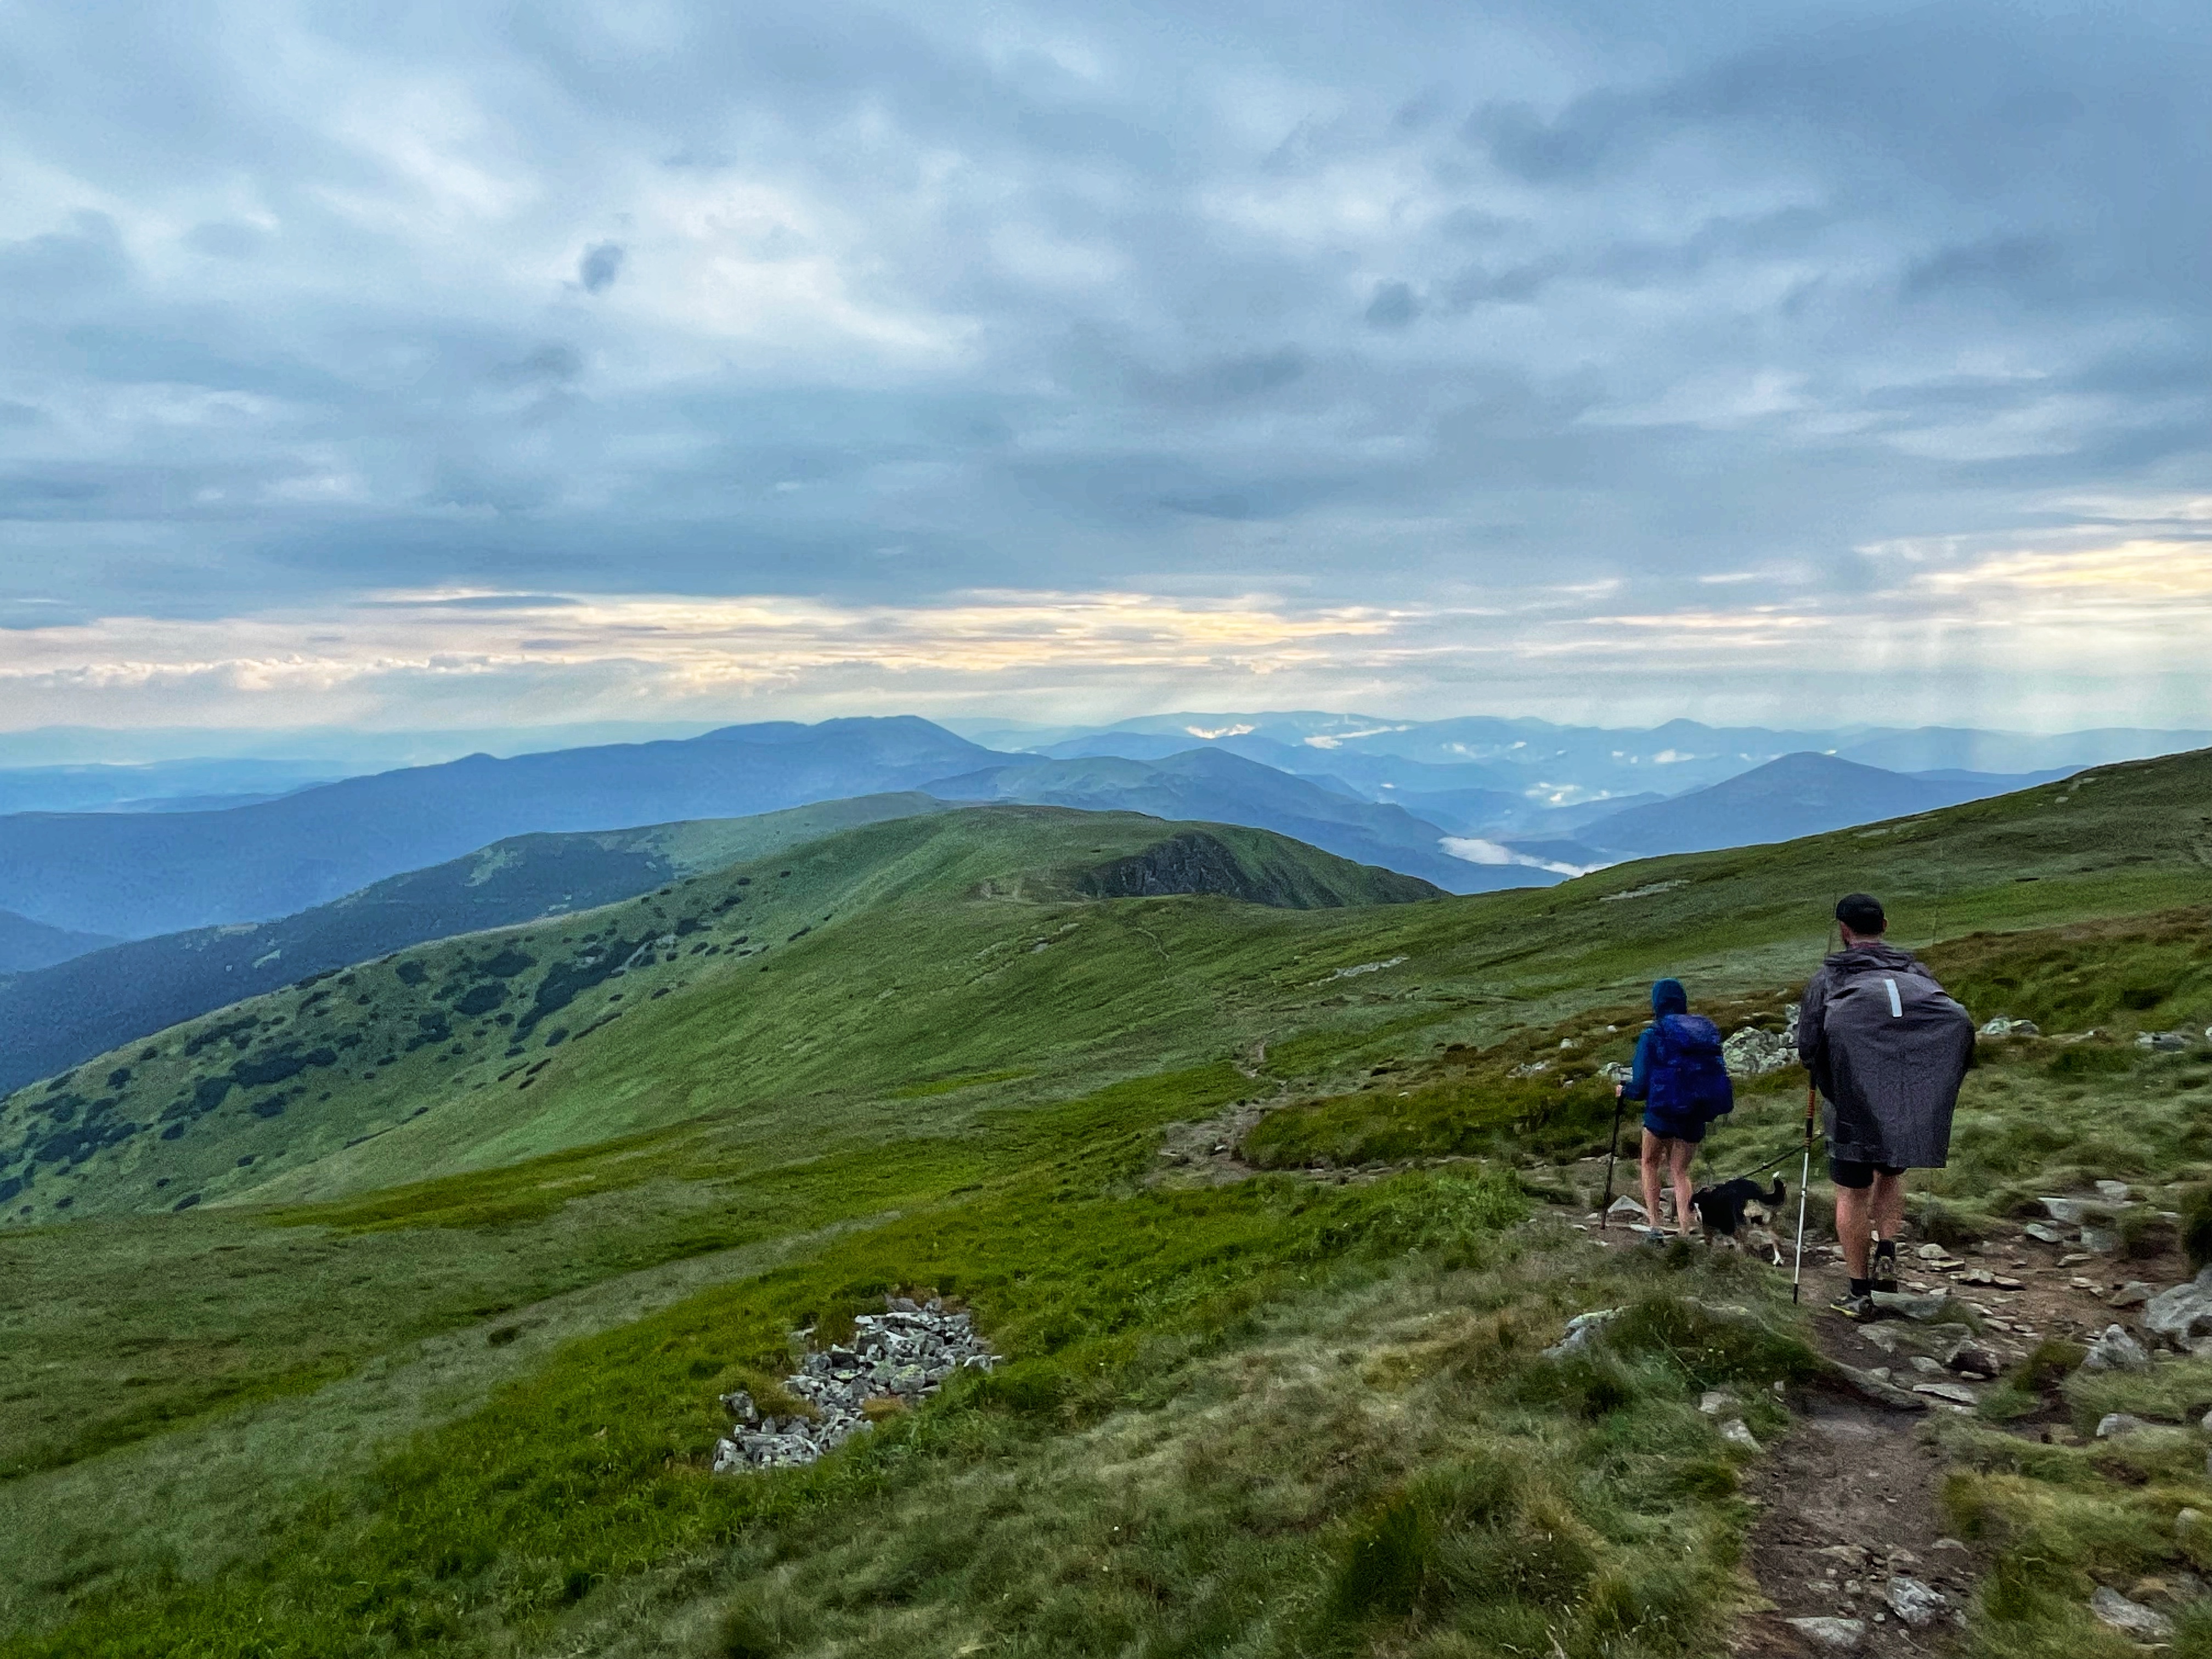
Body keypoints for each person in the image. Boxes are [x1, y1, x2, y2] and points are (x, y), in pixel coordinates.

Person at [1797, 893, 1976, 1320]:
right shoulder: (1917, 972)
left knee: (1851, 1193)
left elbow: (1809, 1047)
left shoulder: (1828, 979)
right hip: (1905, 1104)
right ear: (1885, 925)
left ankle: (1860, 1292)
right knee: (1892, 1176)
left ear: (1843, 931)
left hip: (1850, 1108)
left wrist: (1833, 1086)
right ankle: (1889, 1252)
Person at [1617, 978, 1733, 1245]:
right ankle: (1686, 1227)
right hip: (1694, 1113)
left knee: (1649, 1163)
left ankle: (1655, 1226)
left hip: (1661, 1112)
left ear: (1657, 1002)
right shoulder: (1702, 1033)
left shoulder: (1653, 1034)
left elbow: (1642, 1082)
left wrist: (1626, 1091)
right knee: (1680, 1171)